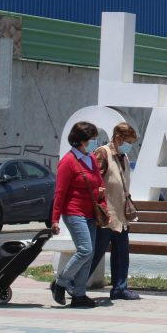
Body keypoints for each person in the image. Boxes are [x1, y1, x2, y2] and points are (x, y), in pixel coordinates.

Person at [50, 121, 106, 308]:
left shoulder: (90, 159)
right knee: (85, 250)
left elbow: (99, 186)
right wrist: (55, 219)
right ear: (82, 140)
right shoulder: (68, 161)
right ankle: (61, 282)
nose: (94, 143)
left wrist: (103, 207)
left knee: (89, 254)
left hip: (91, 212)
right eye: (92, 139)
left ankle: (79, 294)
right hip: (74, 212)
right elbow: (60, 192)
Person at [89, 122, 141, 300]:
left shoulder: (123, 156)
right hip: (106, 214)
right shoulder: (103, 153)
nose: (129, 146)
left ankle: (120, 288)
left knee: (121, 253)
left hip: (121, 214)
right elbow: (92, 179)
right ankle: (72, 284)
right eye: (128, 141)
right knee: (96, 252)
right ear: (118, 138)